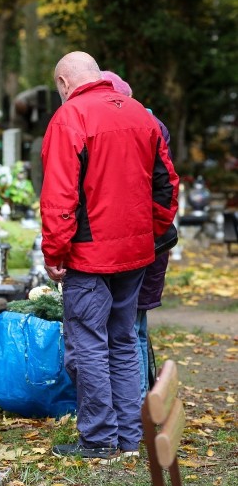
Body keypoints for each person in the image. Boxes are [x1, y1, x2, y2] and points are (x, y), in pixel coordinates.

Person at [41, 52, 179, 460]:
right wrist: (148, 232)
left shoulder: (71, 117)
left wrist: (55, 250)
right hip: (135, 253)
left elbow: (60, 196)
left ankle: (99, 438)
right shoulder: (140, 113)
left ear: (65, 82)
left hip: (89, 253)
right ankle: (129, 436)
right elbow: (166, 184)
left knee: (89, 343)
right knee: (121, 341)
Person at [101, 70, 173, 400]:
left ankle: (139, 406)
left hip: (141, 242)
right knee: (135, 326)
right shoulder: (149, 125)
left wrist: (149, 231)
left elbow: (163, 189)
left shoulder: (140, 128)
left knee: (130, 329)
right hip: (147, 240)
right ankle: (142, 403)